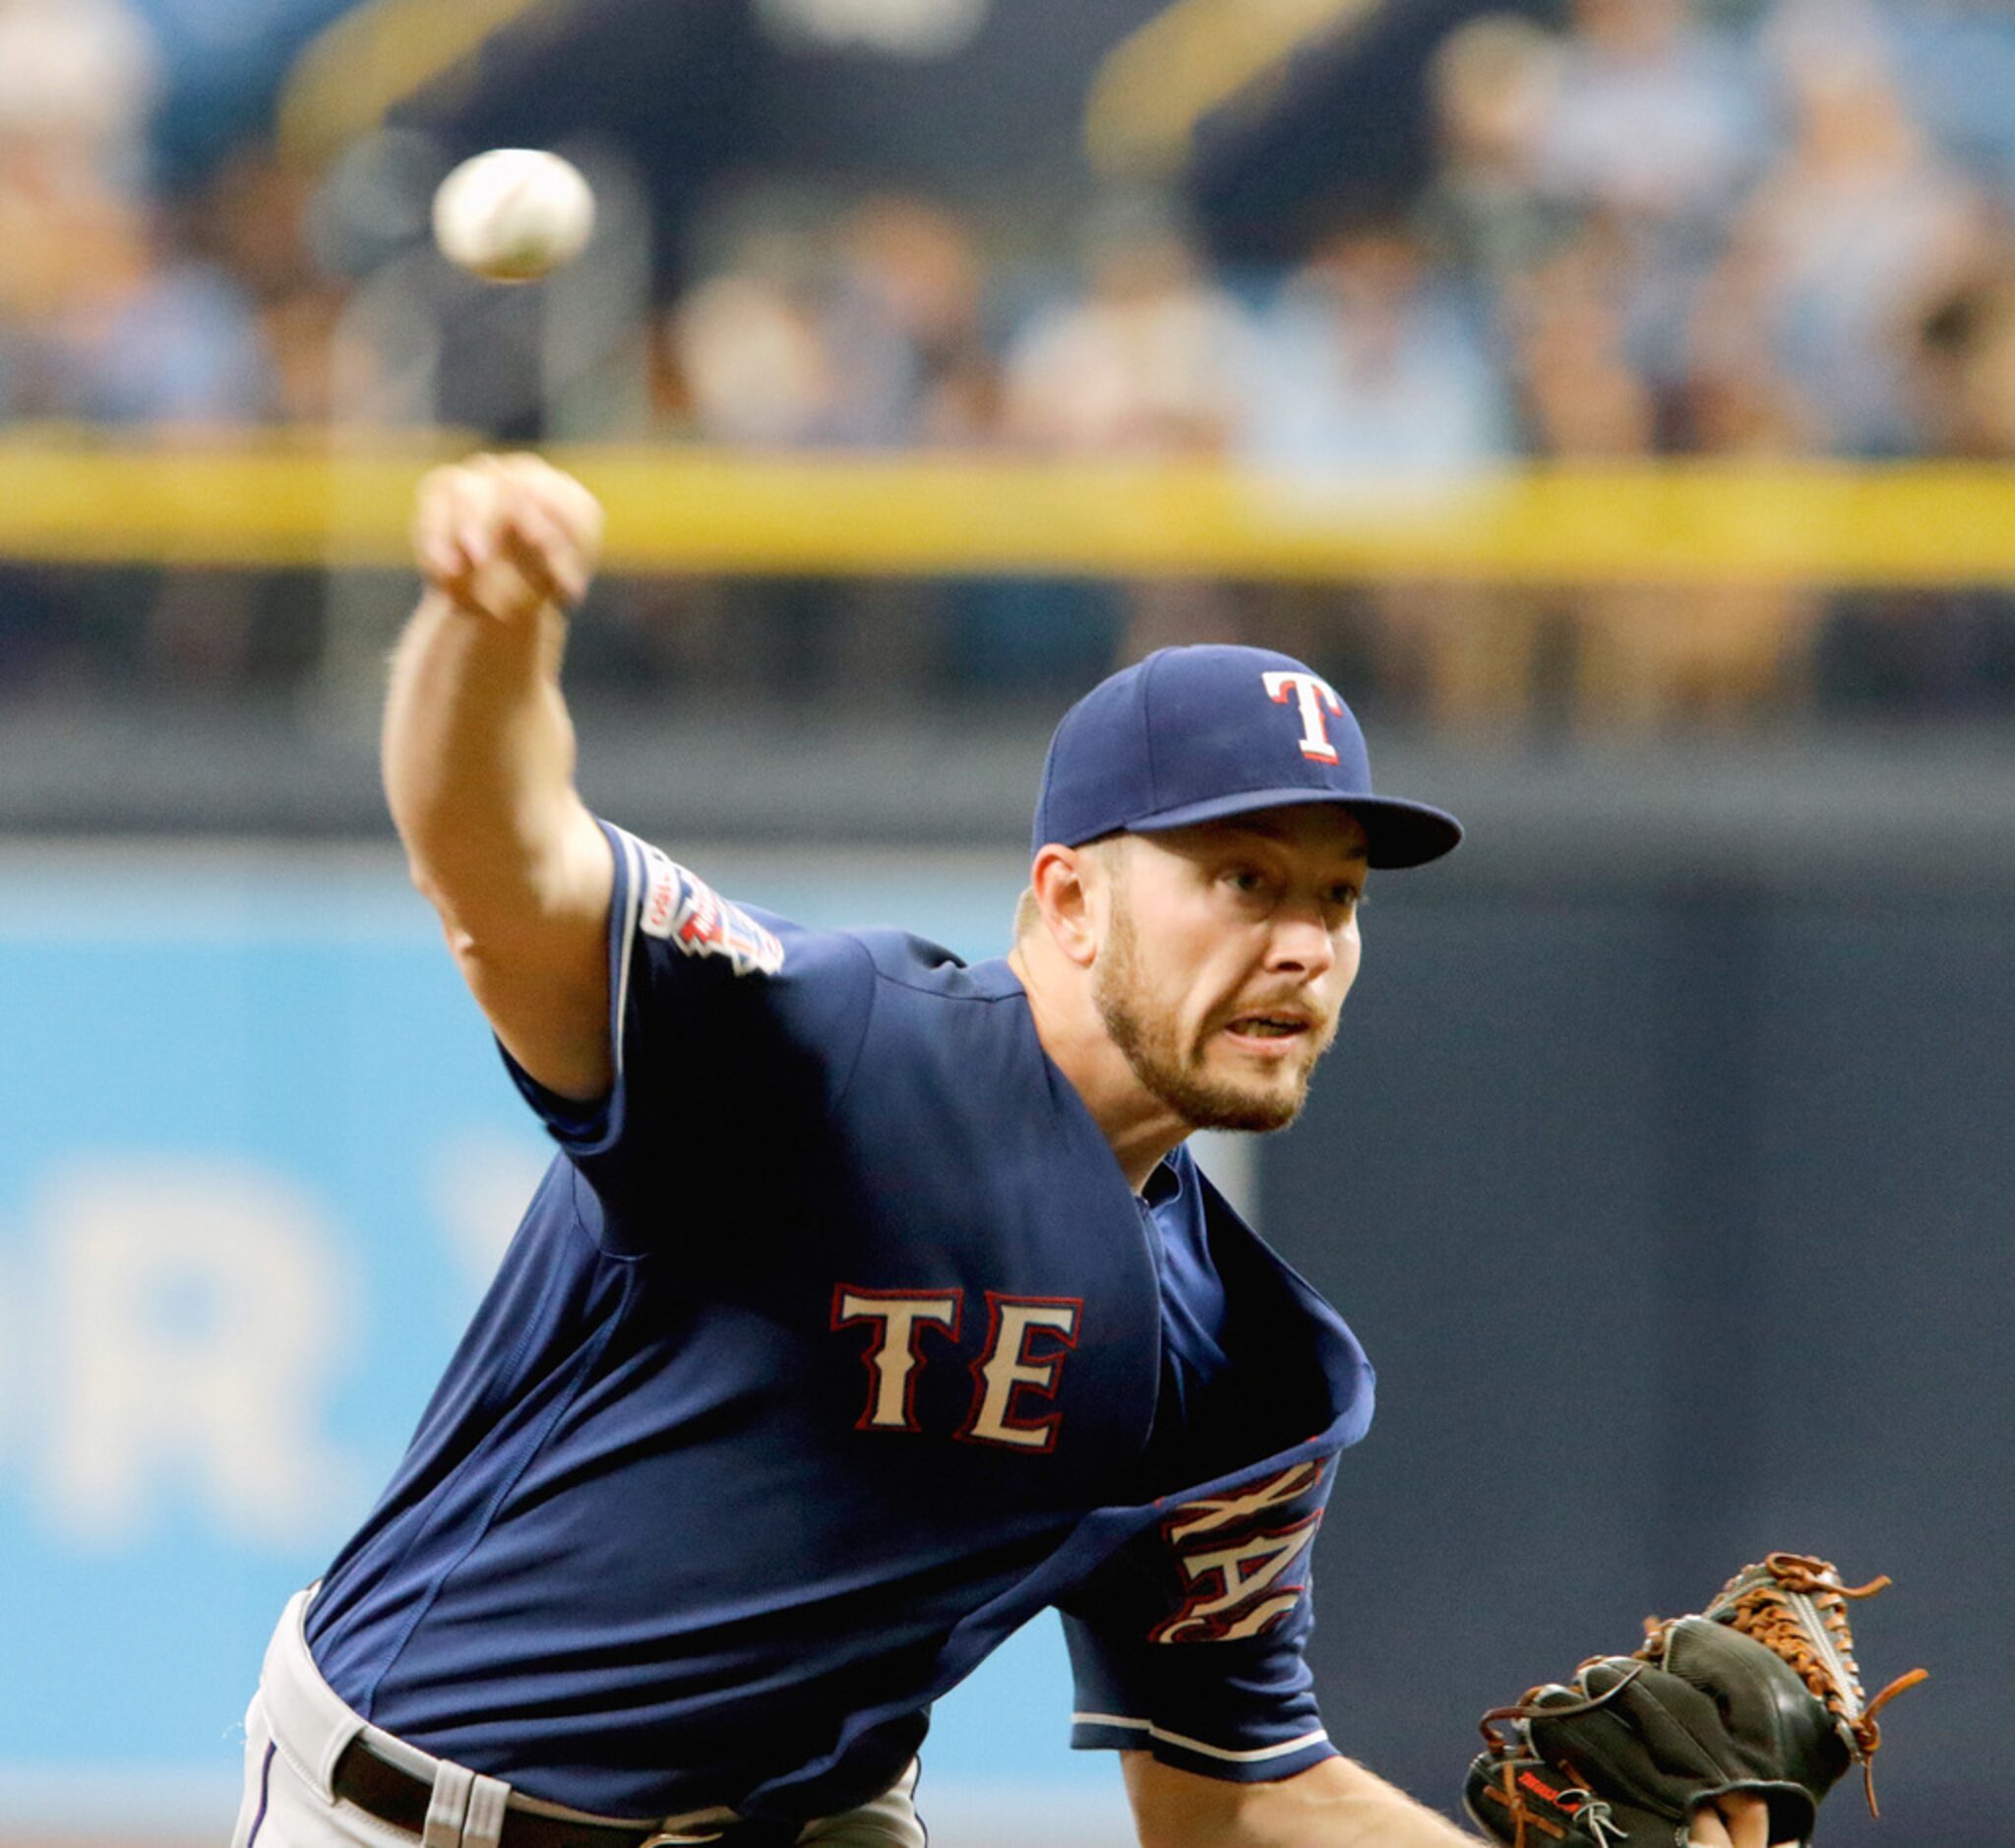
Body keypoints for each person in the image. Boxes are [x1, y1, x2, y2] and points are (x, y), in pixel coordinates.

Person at [232, 453, 1784, 1848]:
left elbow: (1235, 1796)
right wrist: (484, 626)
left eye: (1337, 898)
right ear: (1065, 900)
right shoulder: (835, 1050)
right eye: (1242, 877)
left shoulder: (1235, 1362)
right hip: (421, 1811)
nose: (1304, 943)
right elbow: (498, 861)